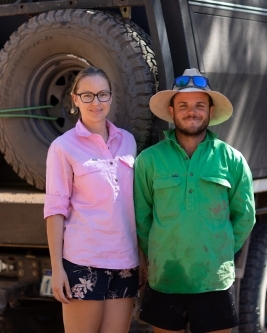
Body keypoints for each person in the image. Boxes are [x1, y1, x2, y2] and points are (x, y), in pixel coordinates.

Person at [134, 68, 255, 333]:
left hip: (214, 280)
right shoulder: (149, 160)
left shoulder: (232, 159)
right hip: (164, 278)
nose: (192, 111)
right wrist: (154, 253)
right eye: (184, 105)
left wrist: (219, 249)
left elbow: (245, 216)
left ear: (210, 112)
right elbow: (142, 218)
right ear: (172, 110)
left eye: (200, 105)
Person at [44, 66, 139, 333]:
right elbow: (55, 210)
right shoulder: (63, 147)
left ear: (111, 97)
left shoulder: (128, 141)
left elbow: (133, 205)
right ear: (75, 99)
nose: (95, 102)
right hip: (84, 261)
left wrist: (142, 257)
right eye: (87, 95)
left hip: (125, 261)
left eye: (102, 94)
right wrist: (57, 269)